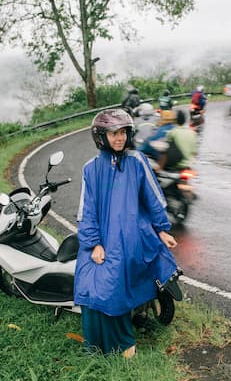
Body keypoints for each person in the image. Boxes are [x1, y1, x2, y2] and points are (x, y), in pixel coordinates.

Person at [75, 108, 180, 358]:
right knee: (88, 285)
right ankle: (96, 345)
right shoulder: (91, 169)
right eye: (113, 133)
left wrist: (162, 229)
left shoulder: (137, 161)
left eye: (123, 132)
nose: (119, 138)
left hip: (131, 238)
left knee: (113, 290)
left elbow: (153, 198)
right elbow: (86, 211)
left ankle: (123, 345)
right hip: (102, 239)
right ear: (101, 136)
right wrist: (93, 244)